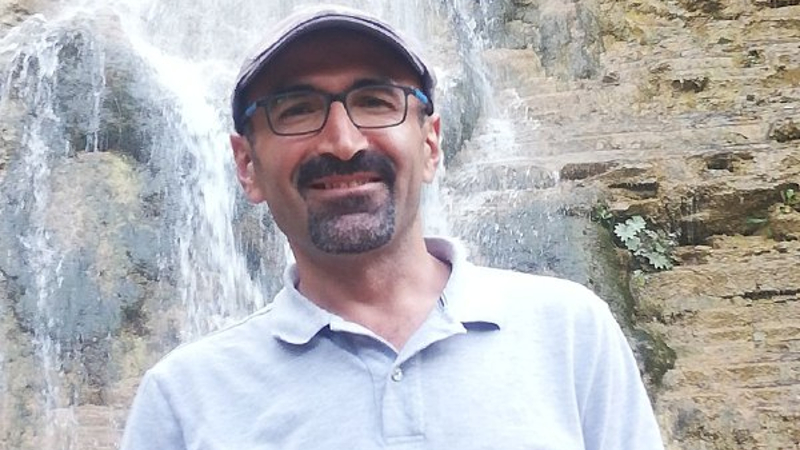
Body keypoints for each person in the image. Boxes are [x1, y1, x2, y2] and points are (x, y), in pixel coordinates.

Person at [121, 5, 665, 450]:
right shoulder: (183, 399)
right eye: (296, 109)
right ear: (246, 166)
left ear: (430, 144)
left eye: (375, 102)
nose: (343, 142)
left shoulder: (570, 333)